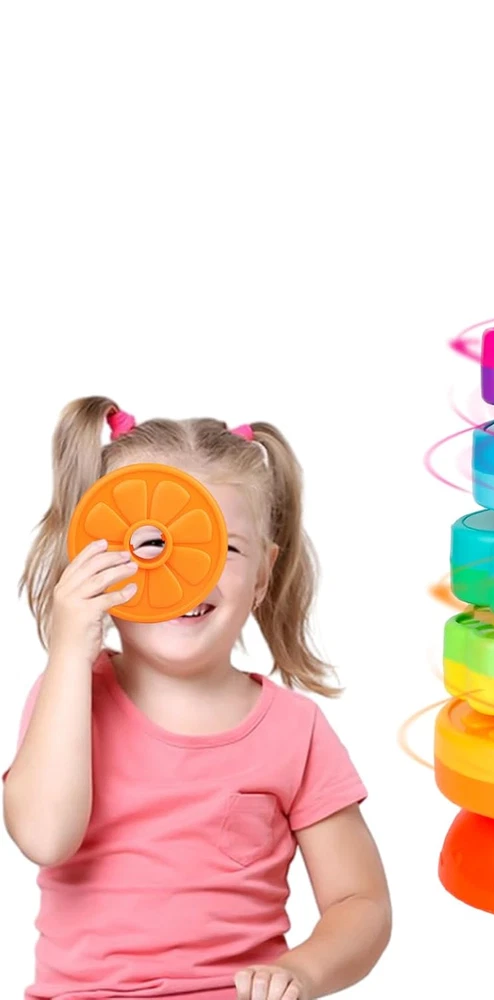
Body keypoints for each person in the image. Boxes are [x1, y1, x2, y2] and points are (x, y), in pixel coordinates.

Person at [2, 397, 391, 1000]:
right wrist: (70, 653)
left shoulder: (296, 729)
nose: (189, 575)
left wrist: (303, 971)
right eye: (151, 545)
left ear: (262, 575)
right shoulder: (68, 697)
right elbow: (43, 839)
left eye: (224, 549)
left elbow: (359, 900)